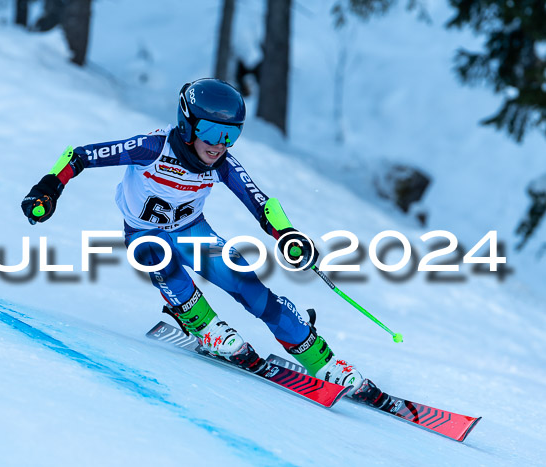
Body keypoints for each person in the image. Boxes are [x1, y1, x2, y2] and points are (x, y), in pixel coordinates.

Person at [21, 78, 363, 394]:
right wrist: (48, 189)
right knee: (160, 261)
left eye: (230, 135)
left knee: (249, 287)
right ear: (187, 125)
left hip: (192, 232)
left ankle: (322, 361)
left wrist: (286, 234)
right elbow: (80, 156)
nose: (219, 145)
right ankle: (204, 325)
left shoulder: (221, 163)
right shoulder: (152, 148)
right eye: (212, 132)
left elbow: (259, 201)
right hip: (145, 234)